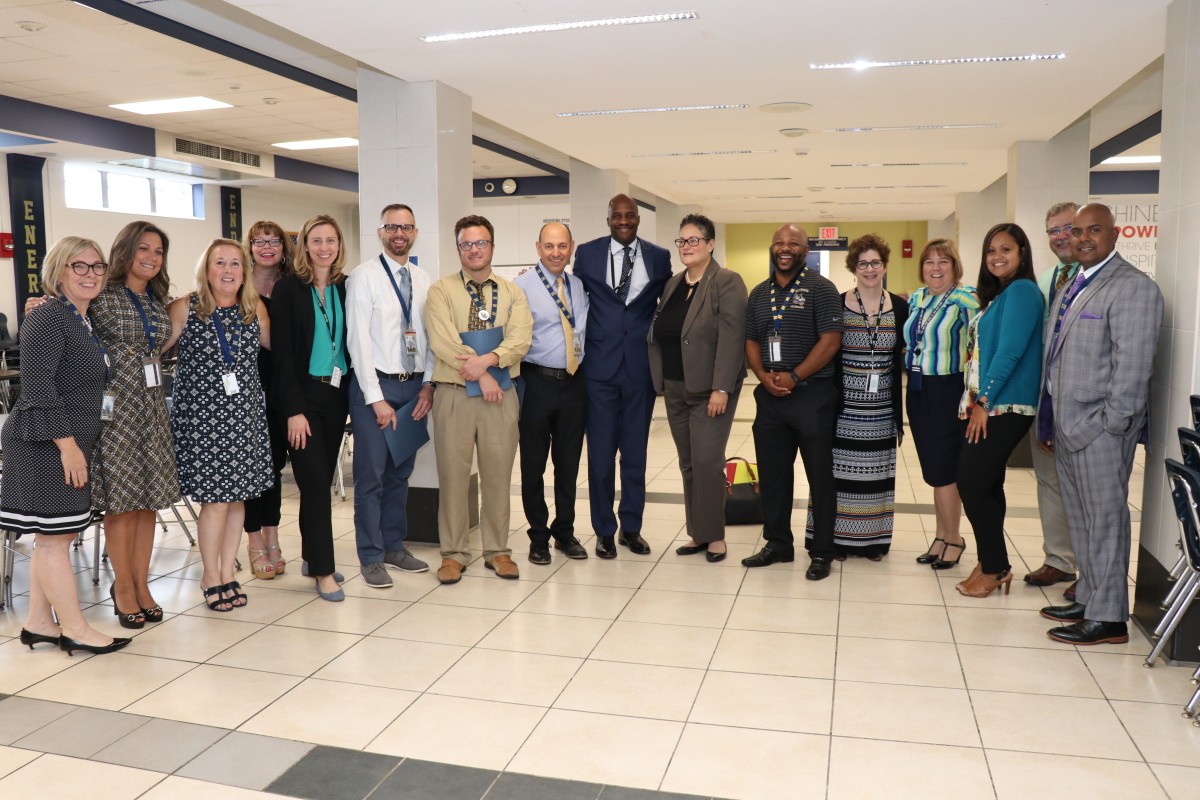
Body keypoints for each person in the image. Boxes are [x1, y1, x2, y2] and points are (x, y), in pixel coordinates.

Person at [1038, 203, 1163, 645]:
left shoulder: (1132, 288)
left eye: (1095, 230)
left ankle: (1109, 618)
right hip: (1070, 425)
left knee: (1105, 520)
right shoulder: (1076, 282)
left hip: (1101, 431)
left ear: (1115, 234)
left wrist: (1113, 424)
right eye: (1077, 231)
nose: (1083, 237)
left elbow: (1133, 367)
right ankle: (1091, 597)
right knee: (1083, 519)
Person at [2, 236, 131, 655]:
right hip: (44, 443)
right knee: (57, 538)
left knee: (53, 533)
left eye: (97, 267)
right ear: (58, 271)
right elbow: (37, 387)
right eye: (80, 266)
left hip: (65, 441)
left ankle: (39, 622)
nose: (91, 274)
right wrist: (68, 446)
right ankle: (75, 628)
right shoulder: (49, 318)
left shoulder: (80, 318)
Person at [425, 215, 532, 584]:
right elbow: (442, 341)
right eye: (466, 244)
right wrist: (482, 373)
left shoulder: (513, 291)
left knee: (498, 476)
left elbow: (520, 339)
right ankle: (453, 554)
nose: (474, 250)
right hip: (454, 396)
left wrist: (489, 362)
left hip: (500, 396)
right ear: (458, 249)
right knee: (453, 477)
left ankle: (498, 551)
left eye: (480, 243)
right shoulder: (440, 291)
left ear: (492, 247)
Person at [169, 239, 273, 612]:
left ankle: (229, 572)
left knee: (238, 499)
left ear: (244, 271)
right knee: (215, 502)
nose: (228, 271)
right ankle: (209, 575)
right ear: (206, 269)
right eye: (220, 263)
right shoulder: (187, 307)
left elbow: (283, 346)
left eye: (235, 264)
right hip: (202, 420)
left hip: (244, 418)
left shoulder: (253, 308)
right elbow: (148, 346)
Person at [90, 221, 182, 629]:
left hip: (152, 408)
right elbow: (66, 314)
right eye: (143, 248)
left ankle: (142, 585)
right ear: (125, 251)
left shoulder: (159, 299)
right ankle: (123, 587)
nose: (151, 257)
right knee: (122, 505)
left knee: (148, 503)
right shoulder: (101, 296)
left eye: (158, 251)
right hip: (116, 410)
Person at [742, 224, 843, 580]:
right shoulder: (758, 293)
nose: (785, 249)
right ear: (772, 248)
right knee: (773, 476)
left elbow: (830, 340)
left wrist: (796, 375)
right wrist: (763, 376)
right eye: (779, 243)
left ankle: (822, 551)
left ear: (805, 250)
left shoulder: (821, 288)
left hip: (812, 395)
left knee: (819, 475)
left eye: (793, 244)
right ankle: (778, 544)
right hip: (770, 398)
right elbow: (751, 341)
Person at [572, 194, 672, 558]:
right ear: (608, 219)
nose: (624, 221)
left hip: (639, 370)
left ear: (638, 219)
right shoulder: (587, 254)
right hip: (599, 368)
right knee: (599, 455)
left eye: (630, 216)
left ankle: (632, 527)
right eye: (617, 216)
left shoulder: (660, 258)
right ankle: (603, 530)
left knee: (635, 454)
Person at [344, 204, 433, 589]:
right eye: (392, 227)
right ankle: (371, 555)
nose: (400, 233)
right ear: (380, 231)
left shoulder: (422, 276)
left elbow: (429, 335)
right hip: (376, 387)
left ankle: (394, 545)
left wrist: (428, 383)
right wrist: (375, 397)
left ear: (415, 232)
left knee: (401, 473)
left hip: (414, 387)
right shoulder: (363, 277)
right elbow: (358, 341)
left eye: (407, 227)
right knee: (371, 477)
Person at [954, 224, 1044, 597]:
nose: (997, 257)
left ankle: (995, 566)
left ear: (1022, 253)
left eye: (1006, 249)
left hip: (1003, 406)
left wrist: (984, 404)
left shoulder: (1022, 291)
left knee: (971, 482)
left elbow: (1010, 353)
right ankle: (991, 560)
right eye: (991, 250)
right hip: (992, 404)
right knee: (987, 483)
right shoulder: (1002, 294)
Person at [650, 214, 747, 563]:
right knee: (689, 463)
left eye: (694, 240)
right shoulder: (673, 284)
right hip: (675, 387)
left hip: (710, 391)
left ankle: (714, 535)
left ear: (710, 244)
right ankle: (697, 533)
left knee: (708, 462)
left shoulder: (726, 281)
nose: (687, 247)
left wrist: (721, 387)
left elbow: (732, 339)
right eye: (682, 241)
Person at [270, 215, 351, 601]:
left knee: (316, 485)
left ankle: (312, 555)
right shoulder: (289, 290)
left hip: (335, 397)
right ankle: (322, 570)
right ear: (304, 246)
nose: (323, 247)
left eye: (330, 240)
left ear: (339, 245)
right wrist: (293, 410)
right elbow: (282, 356)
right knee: (317, 484)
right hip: (303, 401)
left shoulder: (344, 288)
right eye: (315, 240)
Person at [823, 234, 909, 560]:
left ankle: (873, 542)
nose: (870, 269)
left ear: (884, 265)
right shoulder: (839, 303)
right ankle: (838, 541)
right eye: (863, 263)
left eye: (875, 262)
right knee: (839, 478)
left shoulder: (900, 307)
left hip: (882, 411)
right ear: (853, 267)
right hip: (843, 411)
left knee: (877, 479)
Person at [514, 222, 590, 565]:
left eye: (562, 246)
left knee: (569, 464)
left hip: (574, 382)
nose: (556, 253)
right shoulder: (522, 287)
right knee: (533, 465)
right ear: (538, 247)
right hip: (536, 382)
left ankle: (565, 532)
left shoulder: (578, 286)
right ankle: (538, 537)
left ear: (571, 246)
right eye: (549, 246)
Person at [904, 239, 980, 570]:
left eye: (943, 262)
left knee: (946, 470)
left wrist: (977, 397)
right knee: (933, 470)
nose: (935, 268)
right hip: (919, 390)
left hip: (949, 389)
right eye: (929, 261)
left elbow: (979, 349)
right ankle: (940, 535)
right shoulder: (918, 299)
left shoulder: (966, 300)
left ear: (955, 266)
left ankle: (955, 538)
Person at [1024, 201, 1081, 599]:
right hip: (1043, 397)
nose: (1060, 236)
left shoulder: (1096, 278)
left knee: (1084, 486)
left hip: (1082, 401)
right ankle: (1059, 559)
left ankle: (1090, 570)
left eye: (1069, 228)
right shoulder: (1046, 279)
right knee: (1048, 480)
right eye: (1053, 230)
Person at [242, 221, 293, 580]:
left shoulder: (292, 287)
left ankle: (273, 538)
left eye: (274, 241)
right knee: (249, 469)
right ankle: (254, 540)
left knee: (273, 466)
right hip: (244, 391)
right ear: (250, 247)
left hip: (283, 386)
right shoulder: (237, 286)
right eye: (259, 241)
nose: (266, 247)